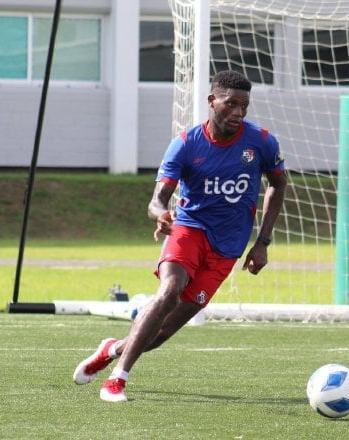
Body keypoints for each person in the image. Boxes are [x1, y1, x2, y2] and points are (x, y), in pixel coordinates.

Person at [73, 70, 287, 401]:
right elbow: (157, 200)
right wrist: (161, 214)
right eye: (231, 104)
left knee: (159, 335)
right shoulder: (186, 144)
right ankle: (117, 379)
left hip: (228, 247)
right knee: (169, 290)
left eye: (244, 106)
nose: (238, 113)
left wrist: (263, 242)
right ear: (211, 101)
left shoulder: (261, 142)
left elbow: (279, 183)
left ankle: (111, 350)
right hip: (189, 228)